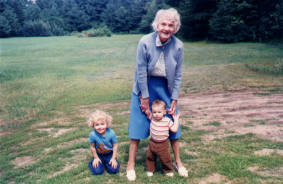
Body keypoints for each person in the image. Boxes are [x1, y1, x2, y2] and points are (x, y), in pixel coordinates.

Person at [127, 8, 188, 181]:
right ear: (156, 25)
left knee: (172, 122)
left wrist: (174, 98)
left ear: (175, 27)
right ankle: (130, 164)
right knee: (137, 126)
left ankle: (178, 162)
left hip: (166, 89)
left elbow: (177, 75)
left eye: (171, 25)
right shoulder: (145, 42)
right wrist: (144, 97)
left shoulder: (179, 46)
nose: (166, 28)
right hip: (143, 86)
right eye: (163, 24)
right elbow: (140, 71)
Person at [146, 100, 180, 177]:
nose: (156, 114)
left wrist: (176, 120)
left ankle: (168, 170)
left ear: (164, 112)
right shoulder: (152, 118)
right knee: (150, 157)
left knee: (165, 158)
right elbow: (147, 112)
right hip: (152, 142)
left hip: (163, 144)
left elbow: (174, 129)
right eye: (154, 112)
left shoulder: (167, 121)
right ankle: (150, 169)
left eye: (159, 112)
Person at [87, 110, 120, 175]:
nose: (100, 127)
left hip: (109, 153)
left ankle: (107, 163)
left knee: (113, 170)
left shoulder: (111, 133)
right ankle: (96, 163)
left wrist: (113, 158)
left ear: (107, 124)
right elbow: (92, 147)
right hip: (99, 154)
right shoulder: (92, 134)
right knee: (97, 171)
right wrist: (96, 158)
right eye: (97, 125)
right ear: (93, 125)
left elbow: (115, 146)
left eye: (102, 124)